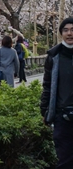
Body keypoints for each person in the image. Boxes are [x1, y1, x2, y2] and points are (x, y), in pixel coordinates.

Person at [40, 17, 73, 169]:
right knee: (65, 159)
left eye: (72, 30)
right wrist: (44, 110)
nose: (69, 33)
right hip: (62, 116)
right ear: (61, 33)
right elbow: (47, 86)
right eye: (66, 30)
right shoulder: (54, 57)